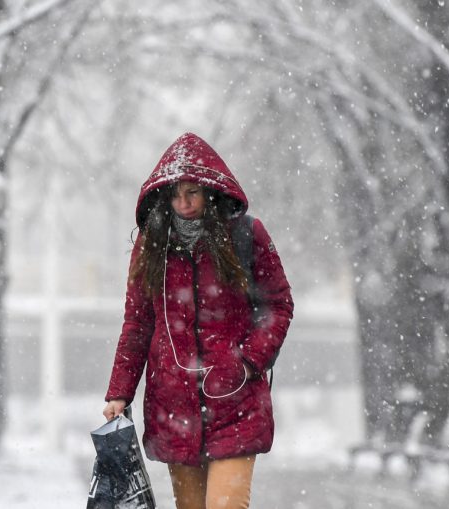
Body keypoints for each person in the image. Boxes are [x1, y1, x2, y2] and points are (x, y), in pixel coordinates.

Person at [102, 132, 294, 509]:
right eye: (175, 194)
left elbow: (278, 304)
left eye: (192, 192)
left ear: (209, 190)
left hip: (235, 401)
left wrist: (249, 360)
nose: (183, 202)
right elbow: (138, 323)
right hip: (174, 406)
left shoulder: (245, 235)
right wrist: (119, 391)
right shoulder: (151, 244)